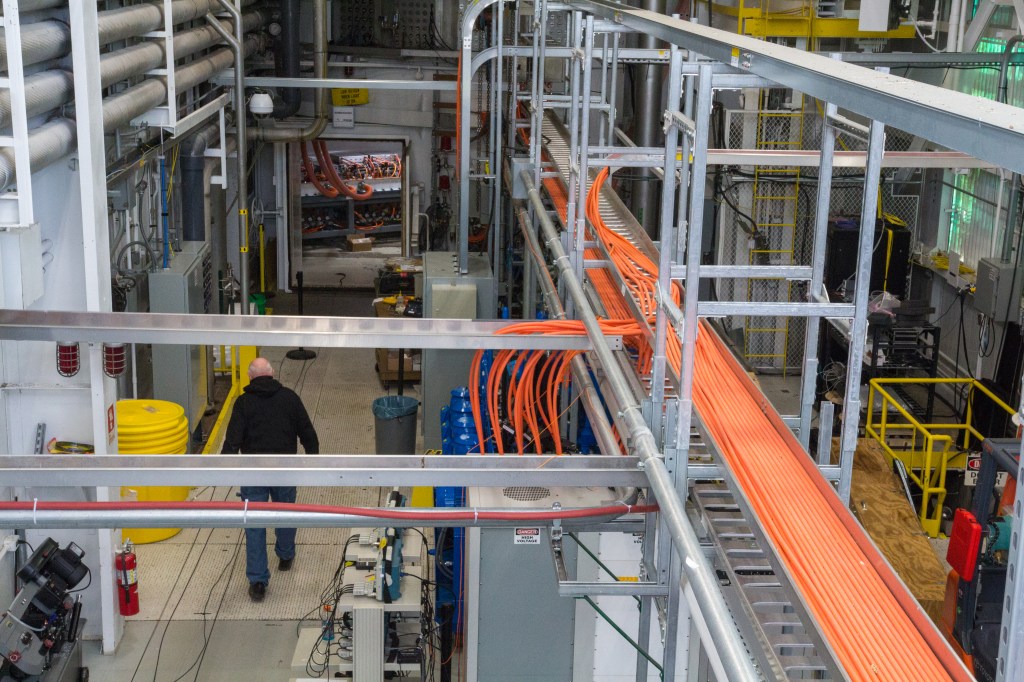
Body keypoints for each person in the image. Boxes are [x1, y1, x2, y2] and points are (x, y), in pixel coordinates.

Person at [222, 357, 319, 601]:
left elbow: (232, 440)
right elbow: (308, 432)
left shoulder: (243, 404)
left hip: (253, 471)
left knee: (254, 525)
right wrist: (312, 459)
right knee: (285, 512)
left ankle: (257, 582)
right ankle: (285, 555)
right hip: (285, 469)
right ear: (273, 373)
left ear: (249, 377)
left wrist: (223, 465)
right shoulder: (289, 398)